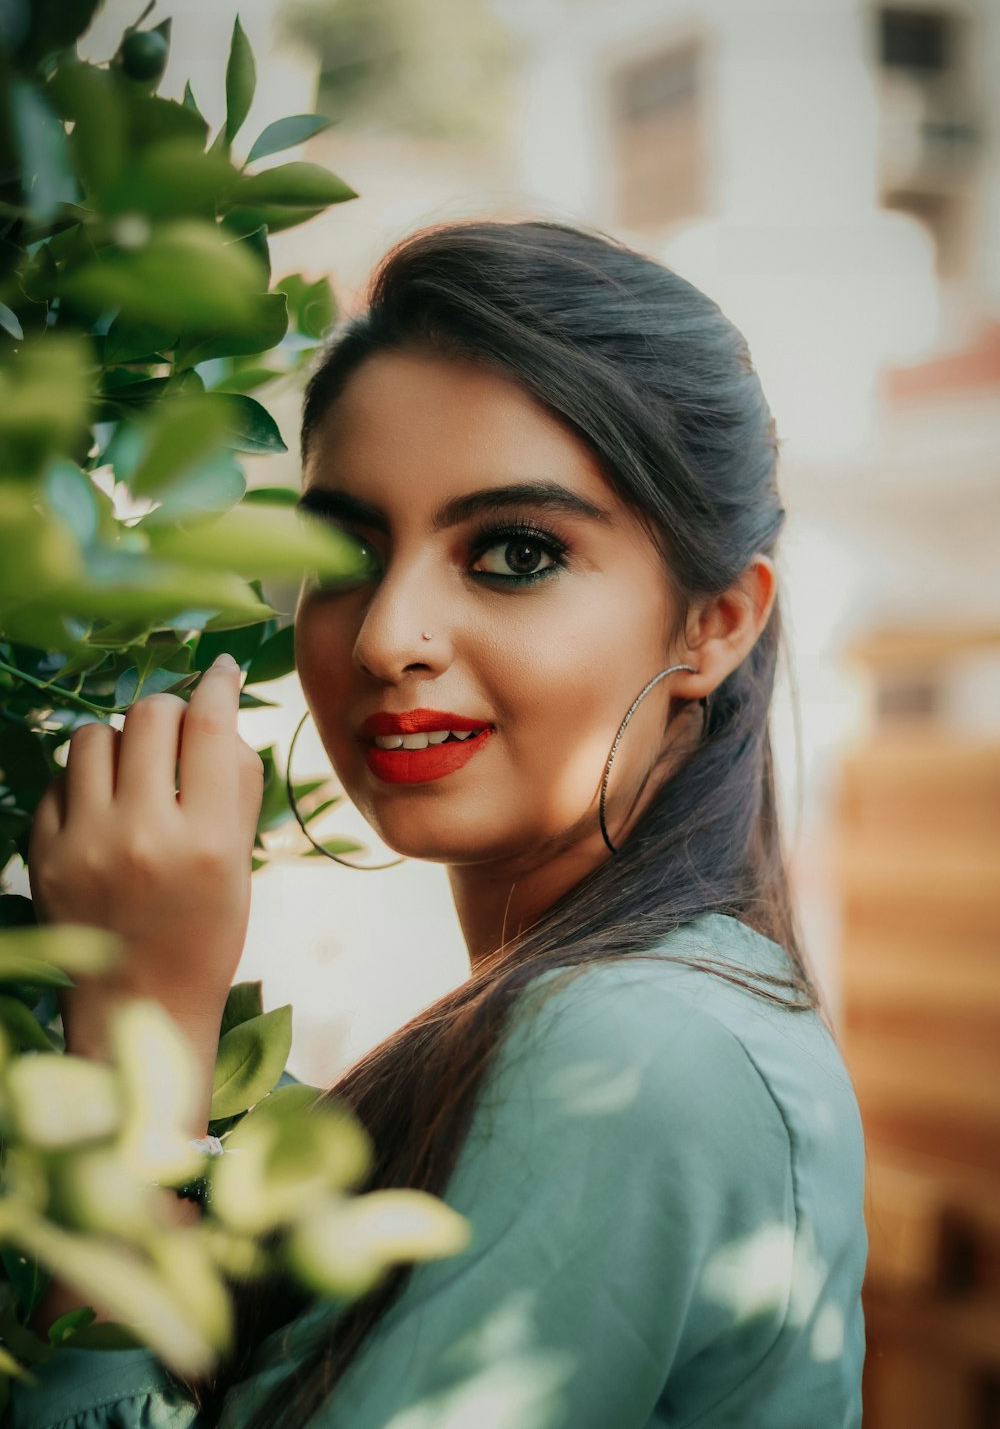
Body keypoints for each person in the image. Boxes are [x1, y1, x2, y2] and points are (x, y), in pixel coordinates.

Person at [15, 220, 867, 1429]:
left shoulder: (632, 1056)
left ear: (713, 623)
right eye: (345, 551)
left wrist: (135, 1051)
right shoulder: (659, 1009)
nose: (383, 636)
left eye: (513, 552)